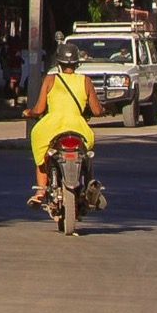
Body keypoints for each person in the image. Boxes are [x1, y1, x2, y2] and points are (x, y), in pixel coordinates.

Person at [26, 50, 100, 213]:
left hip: (51, 127)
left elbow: (39, 109)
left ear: (58, 63)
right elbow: (96, 110)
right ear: (76, 63)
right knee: (86, 155)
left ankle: (40, 192)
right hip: (77, 126)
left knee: (42, 154)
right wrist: (105, 109)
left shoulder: (50, 79)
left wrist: (29, 112)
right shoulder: (85, 81)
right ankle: (90, 186)